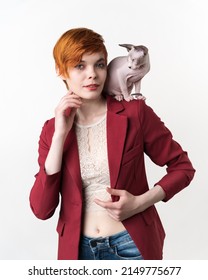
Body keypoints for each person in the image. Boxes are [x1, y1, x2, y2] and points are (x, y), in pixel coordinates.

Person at [29, 27, 195, 260]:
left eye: (99, 64)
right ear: (61, 71)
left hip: (132, 245)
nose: (92, 75)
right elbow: (41, 209)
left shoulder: (135, 113)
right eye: (80, 66)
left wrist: (140, 202)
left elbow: (183, 167)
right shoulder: (51, 130)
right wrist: (59, 136)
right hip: (78, 252)